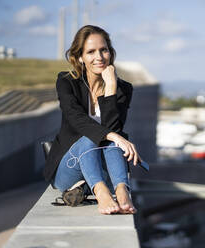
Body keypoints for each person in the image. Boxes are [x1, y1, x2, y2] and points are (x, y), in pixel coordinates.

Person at [43, 25, 141, 215]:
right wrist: (114, 136)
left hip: (104, 168)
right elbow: (76, 119)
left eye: (103, 50)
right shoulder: (66, 81)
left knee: (111, 141)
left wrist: (111, 87)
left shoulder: (123, 88)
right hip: (68, 169)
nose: (99, 57)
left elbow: (113, 127)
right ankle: (100, 191)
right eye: (91, 52)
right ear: (80, 57)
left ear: (110, 53)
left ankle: (121, 190)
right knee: (94, 138)